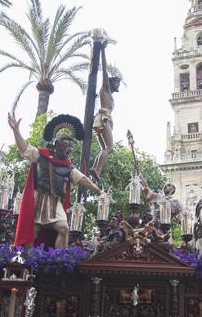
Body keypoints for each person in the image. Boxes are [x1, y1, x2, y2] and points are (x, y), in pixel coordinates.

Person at [9, 113, 102, 248]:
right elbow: (24, 148)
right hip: (38, 198)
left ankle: (58, 260)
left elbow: (83, 179)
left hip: (54, 201)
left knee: (64, 228)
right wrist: (16, 131)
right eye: (67, 145)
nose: (69, 149)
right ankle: (27, 262)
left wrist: (98, 191)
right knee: (32, 231)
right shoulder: (40, 155)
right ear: (57, 144)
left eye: (71, 146)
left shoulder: (68, 166)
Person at [91, 45, 120, 182]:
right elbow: (104, 72)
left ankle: (95, 168)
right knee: (110, 147)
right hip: (103, 117)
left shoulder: (108, 93)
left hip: (104, 118)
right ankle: (97, 169)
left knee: (104, 148)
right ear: (111, 83)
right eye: (117, 83)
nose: (118, 86)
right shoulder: (106, 89)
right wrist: (102, 50)